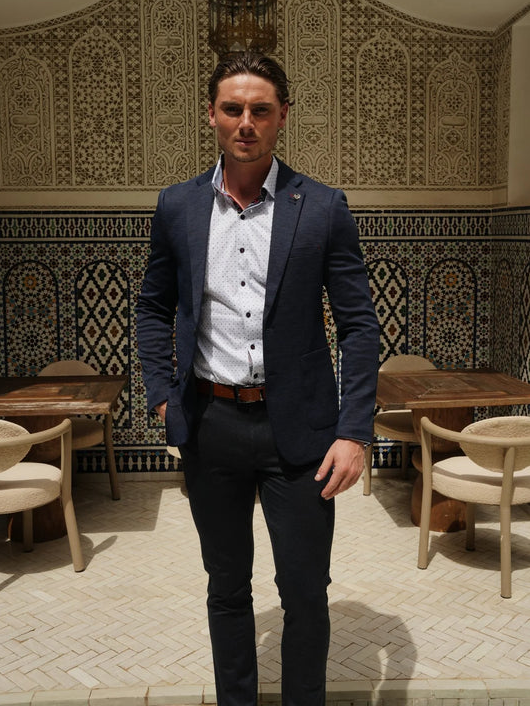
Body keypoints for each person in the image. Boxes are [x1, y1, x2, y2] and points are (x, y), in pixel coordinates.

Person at [136, 51, 380, 706]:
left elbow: (359, 328)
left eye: (260, 110)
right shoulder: (177, 206)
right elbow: (153, 307)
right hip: (209, 423)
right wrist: (161, 397)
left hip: (299, 432)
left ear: (282, 118)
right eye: (233, 108)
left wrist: (354, 432)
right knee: (226, 587)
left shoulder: (322, 207)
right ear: (211, 115)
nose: (245, 122)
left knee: (304, 591)